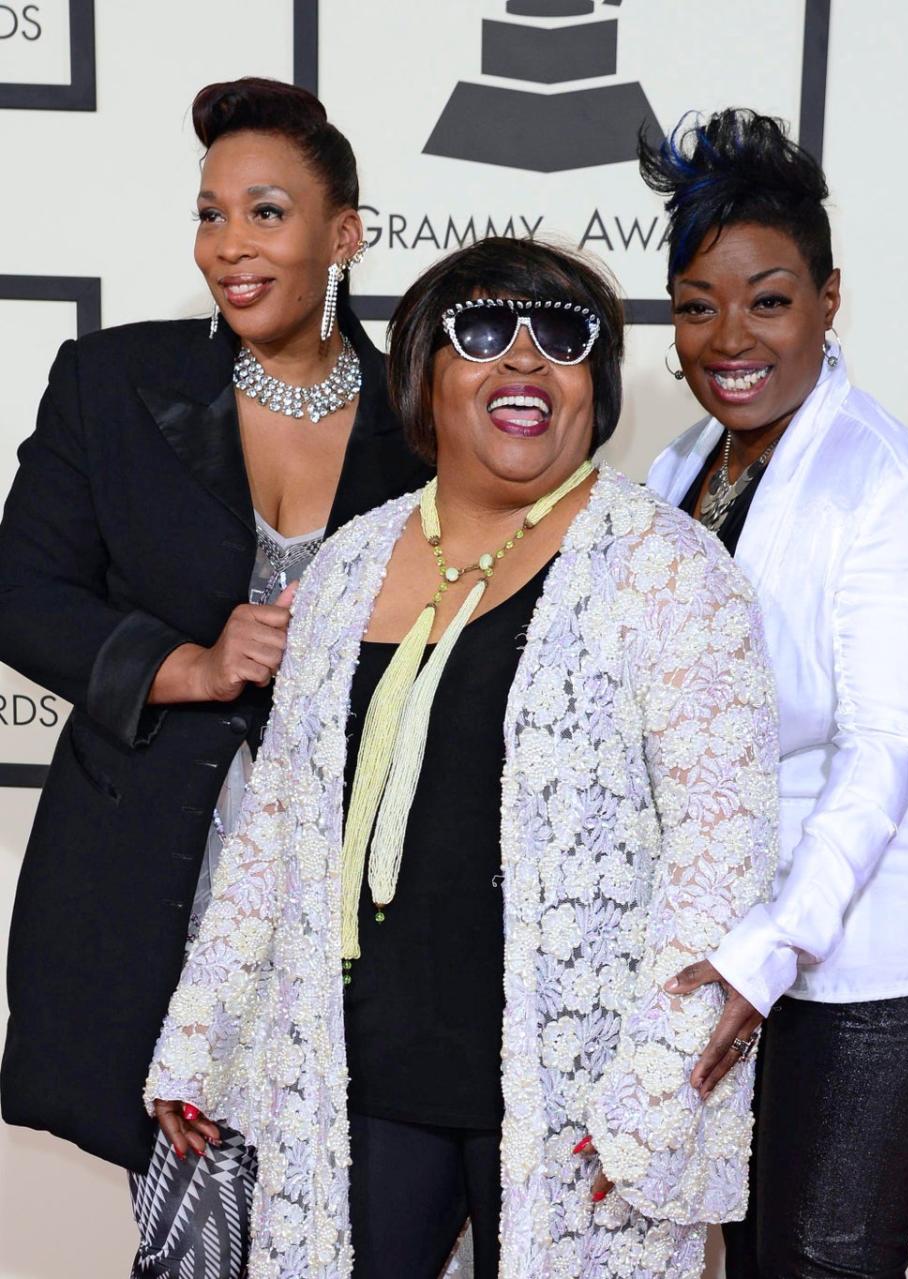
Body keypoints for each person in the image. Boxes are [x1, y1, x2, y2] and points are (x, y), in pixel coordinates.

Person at [145, 236, 780, 1279]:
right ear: (424, 376)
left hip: (573, 1097)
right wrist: (202, 1034)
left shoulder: (667, 571)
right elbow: (279, 826)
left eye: (563, 337)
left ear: (597, 385)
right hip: (363, 1077)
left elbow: (722, 855)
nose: (525, 358)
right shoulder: (354, 560)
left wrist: (656, 1098)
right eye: (482, 332)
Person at [0, 76, 429, 1276]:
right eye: (210, 215)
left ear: (344, 233)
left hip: (354, 892)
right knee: (196, 1216)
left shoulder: (426, 415)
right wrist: (183, 662)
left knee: (368, 1206)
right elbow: (22, 592)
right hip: (162, 877)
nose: (230, 248)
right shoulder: (113, 384)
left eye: (266, 212)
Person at [641, 108, 908, 1279]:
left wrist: (770, 951)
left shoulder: (897, 495)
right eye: (695, 304)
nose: (730, 336)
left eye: (768, 299)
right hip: (733, 944)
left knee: (826, 1258)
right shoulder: (685, 464)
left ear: (832, 300)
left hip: (868, 964)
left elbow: (884, 751)